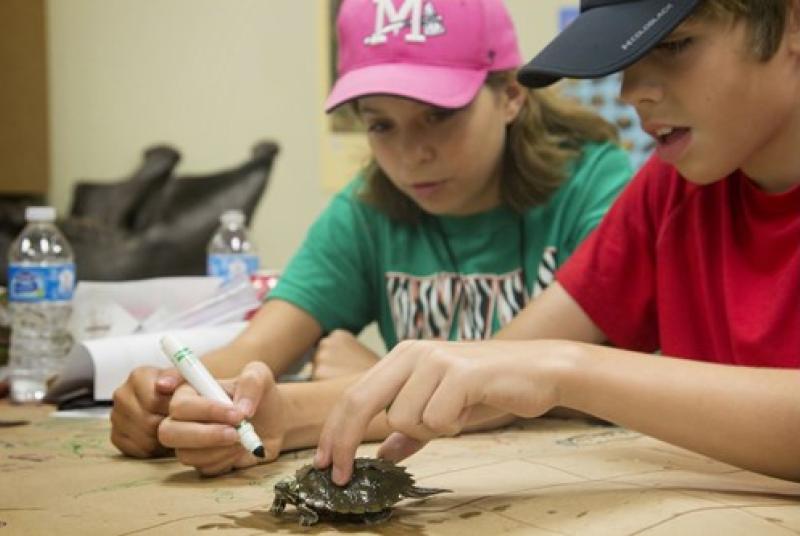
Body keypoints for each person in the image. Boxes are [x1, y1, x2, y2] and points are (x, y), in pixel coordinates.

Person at [110, 0, 632, 474]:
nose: (410, 155)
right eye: (381, 125)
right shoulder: (367, 207)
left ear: (512, 95)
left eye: (440, 115)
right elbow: (256, 351)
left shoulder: (597, 188)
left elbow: (500, 383)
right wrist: (172, 396)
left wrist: (369, 380)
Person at [313, 0, 800, 486]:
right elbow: (494, 370)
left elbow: (543, 365)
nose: (631, 92)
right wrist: (271, 413)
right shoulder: (672, 189)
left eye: (674, 44)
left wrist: (567, 367)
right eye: (625, 62)